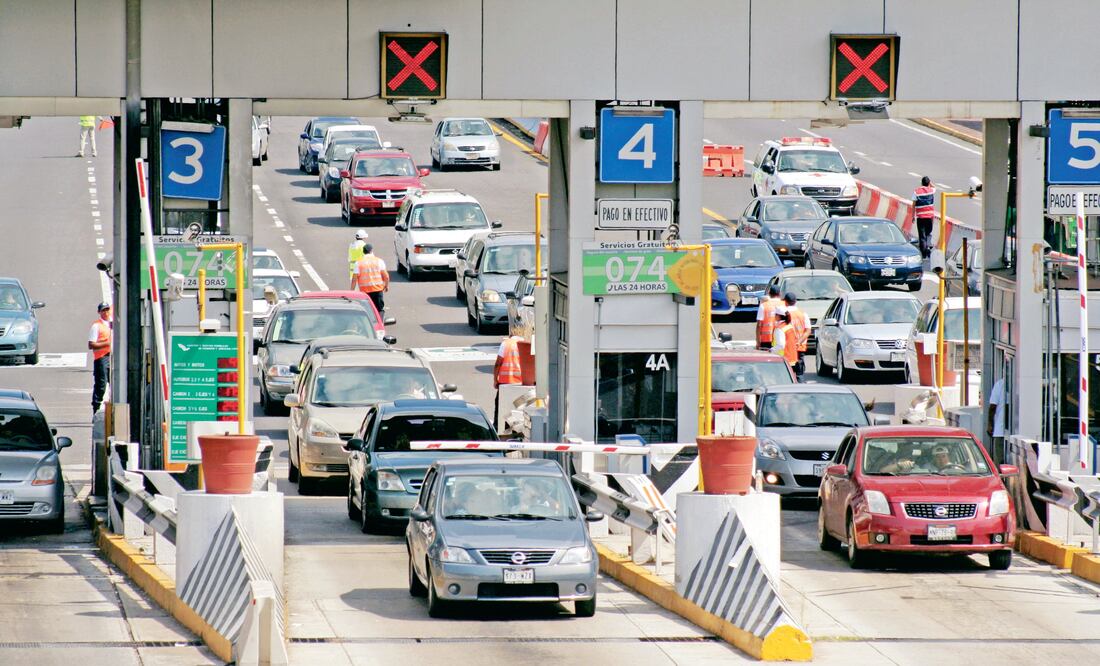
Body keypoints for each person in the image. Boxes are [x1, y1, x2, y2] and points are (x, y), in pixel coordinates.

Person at [493, 335, 524, 429]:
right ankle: (516, 429)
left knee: (500, 405)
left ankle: (499, 427)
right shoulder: (525, 343)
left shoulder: (506, 344)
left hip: (505, 382)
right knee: (517, 407)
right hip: (520, 382)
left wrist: (495, 380)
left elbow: (498, 363)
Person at [351, 243, 389, 313]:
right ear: (371, 251)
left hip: (365, 292)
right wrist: (386, 285)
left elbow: (354, 280)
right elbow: (386, 276)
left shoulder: (358, 263)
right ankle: (380, 323)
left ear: (363, 252)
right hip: (377, 290)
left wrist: (352, 292)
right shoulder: (379, 261)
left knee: (367, 311)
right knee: (379, 310)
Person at [88, 303, 111, 414]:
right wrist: (107, 344)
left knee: (116, 383)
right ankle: (95, 409)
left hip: (112, 357)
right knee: (101, 385)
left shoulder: (113, 324)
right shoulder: (96, 326)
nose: (106, 312)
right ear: (99, 312)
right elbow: (91, 344)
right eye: (103, 310)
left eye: (107, 310)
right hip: (101, 358)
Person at [784, 292, 809, 378]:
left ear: (785, 302)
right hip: (800, 347)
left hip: (787, 348)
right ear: (795, 301)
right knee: (799, 373)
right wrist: (799, 341)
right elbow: (808, 331)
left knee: (788, 372)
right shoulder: (803, 314)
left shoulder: (784, 314)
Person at [770, 307, 799, 376]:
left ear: (779, 316)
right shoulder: (789, 326)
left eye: (775, 315)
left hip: (783, 359)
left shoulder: (779, 329)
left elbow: (781, 345)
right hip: (792, 359)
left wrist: (770, 351)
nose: (774, 316)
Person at [913, 176, 936, 258]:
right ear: (929, 183)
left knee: (922, 236)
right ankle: (927, 247)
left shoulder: (916, 191)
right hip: (929, 217)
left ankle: (924, 253)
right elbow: (934, 187)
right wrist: (930, 183)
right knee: (928, 232)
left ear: (921, 183)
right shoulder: (931, 190)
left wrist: (913, 216)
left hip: (920, 217)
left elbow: (914, 204)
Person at [755, 285, 783, 350]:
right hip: (781, 338)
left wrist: (758, 341)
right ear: (779, 294)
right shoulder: (784, 304)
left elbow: (759, 325)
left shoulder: (764, 306)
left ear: (769, 294)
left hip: (766, 339)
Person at [987, 377, 1006, 463]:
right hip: (1001, 431)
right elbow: (992, 407)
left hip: (1000, 431)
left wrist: (990, 425)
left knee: (1000, 463)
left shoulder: (1000, 384)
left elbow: (992, 407)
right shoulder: (1000, 385)